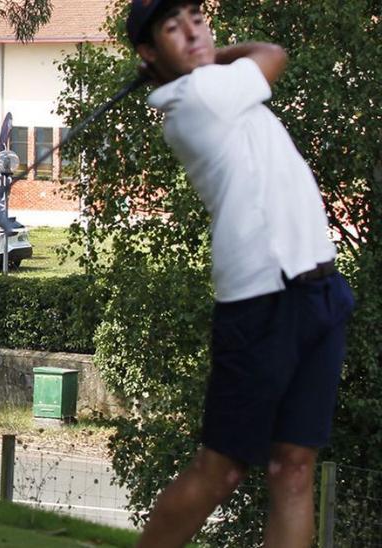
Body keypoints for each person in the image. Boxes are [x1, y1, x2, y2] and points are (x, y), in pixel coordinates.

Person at [128, 1, 355, 546]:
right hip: (262, 301)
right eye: (172, 29)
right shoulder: (199, 97)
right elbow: (272, 54)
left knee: (294, 468)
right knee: (221, 470)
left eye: (195, 20)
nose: (193, 32)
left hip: (318, 286)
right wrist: (210, 56)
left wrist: (193, 55)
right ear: (149, 52)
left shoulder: (214, 87)